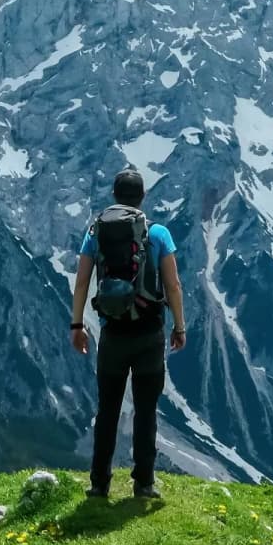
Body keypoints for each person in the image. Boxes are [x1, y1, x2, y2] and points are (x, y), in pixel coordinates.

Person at [69, 167, 186, 500]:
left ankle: (99, 483)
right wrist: (180, 325)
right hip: (150, 333)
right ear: (143, 197)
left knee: (107, 409)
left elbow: (81, 283)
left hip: (113, 334)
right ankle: (144, 484)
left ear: (115, 197)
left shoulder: (96, 233)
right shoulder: (159, 234)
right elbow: (173, 286)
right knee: (146, 409)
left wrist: (77, 325)